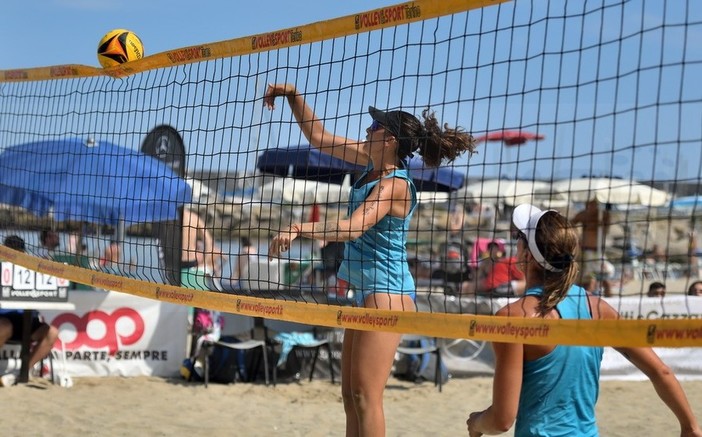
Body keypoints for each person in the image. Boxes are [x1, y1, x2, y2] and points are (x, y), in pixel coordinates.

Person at [263, 82, 475, 436]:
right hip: (365, 291)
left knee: (366, 397)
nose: (367, 128)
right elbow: (318, 136)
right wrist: (293, 95)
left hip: (387, 294)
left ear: (389, 140)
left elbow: (351, 229)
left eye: (375, 126)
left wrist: (300, 227)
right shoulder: (369, 161)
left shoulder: (394, 184)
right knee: (350, 397)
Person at [466, 204, 702, 437]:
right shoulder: (597, 308)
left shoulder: (513, 318)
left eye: (518, 237)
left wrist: (476, 422)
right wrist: (690, 427)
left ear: (527, 255)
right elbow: (661, 372)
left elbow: (502, 420)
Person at [0, 235, 60, 378]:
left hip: (28, 321)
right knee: (3, 326)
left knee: (52, 332)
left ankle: (22, 372)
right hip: (6, 319)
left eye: (18, 252)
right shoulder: (2, 268)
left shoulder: (32, 269)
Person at [571, 199, 615, 297]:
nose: (590, 205)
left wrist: (603, 221)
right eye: (588, 203)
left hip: (598, 252)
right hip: (585, 252)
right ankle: (584, 301)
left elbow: (607, 227)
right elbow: (570, 224)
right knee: (586, 281)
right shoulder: (583, 215)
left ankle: (610, 302)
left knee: (605, 278)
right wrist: (577, 238)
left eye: (592, 203)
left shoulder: (603, 215)